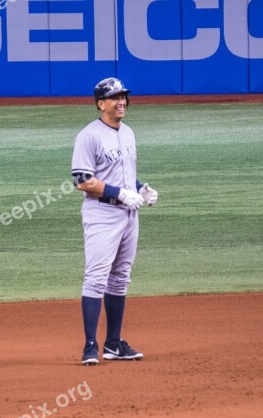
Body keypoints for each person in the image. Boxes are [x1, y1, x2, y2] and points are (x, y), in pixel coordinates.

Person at [70, 77, 158, 365]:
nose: (122, 102)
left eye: (124, 97)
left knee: (120, 278)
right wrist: (121, 194)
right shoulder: (89, 135)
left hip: (129, 215)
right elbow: (82, 180)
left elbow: (122, 173)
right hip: (102, 214)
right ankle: (90, 346)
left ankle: (113, 343)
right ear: (101, 104)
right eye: (115, 97)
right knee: (96, 278)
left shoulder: (128, 132)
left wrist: (141, 188)